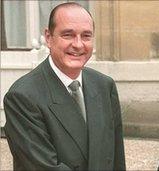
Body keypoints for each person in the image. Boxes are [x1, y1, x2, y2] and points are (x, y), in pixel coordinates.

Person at [4, 2, 125, 170]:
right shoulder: (22, 96)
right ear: (48, 37)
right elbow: (44, 167)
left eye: (86, 36)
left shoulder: (104, 86)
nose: (78, 44)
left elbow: (116, 158)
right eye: (68, 35)